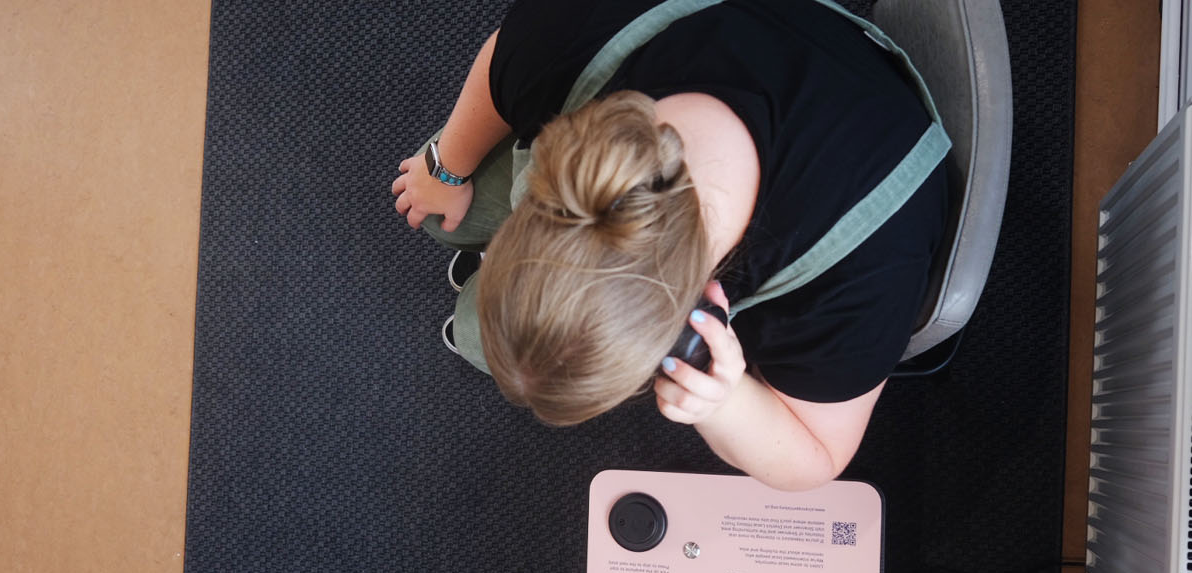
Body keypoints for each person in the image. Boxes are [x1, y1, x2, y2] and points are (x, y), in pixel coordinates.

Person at [391, 0, 949, 491]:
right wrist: (444, 168)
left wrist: (725, 402)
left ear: (696, 324)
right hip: (771, 65)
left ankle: (477, 304)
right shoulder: (578, 25)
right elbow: (503, 58)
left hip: (869, 149)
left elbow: (818, 457)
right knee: (456, 252)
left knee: (481, 334)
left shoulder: (867, 269)